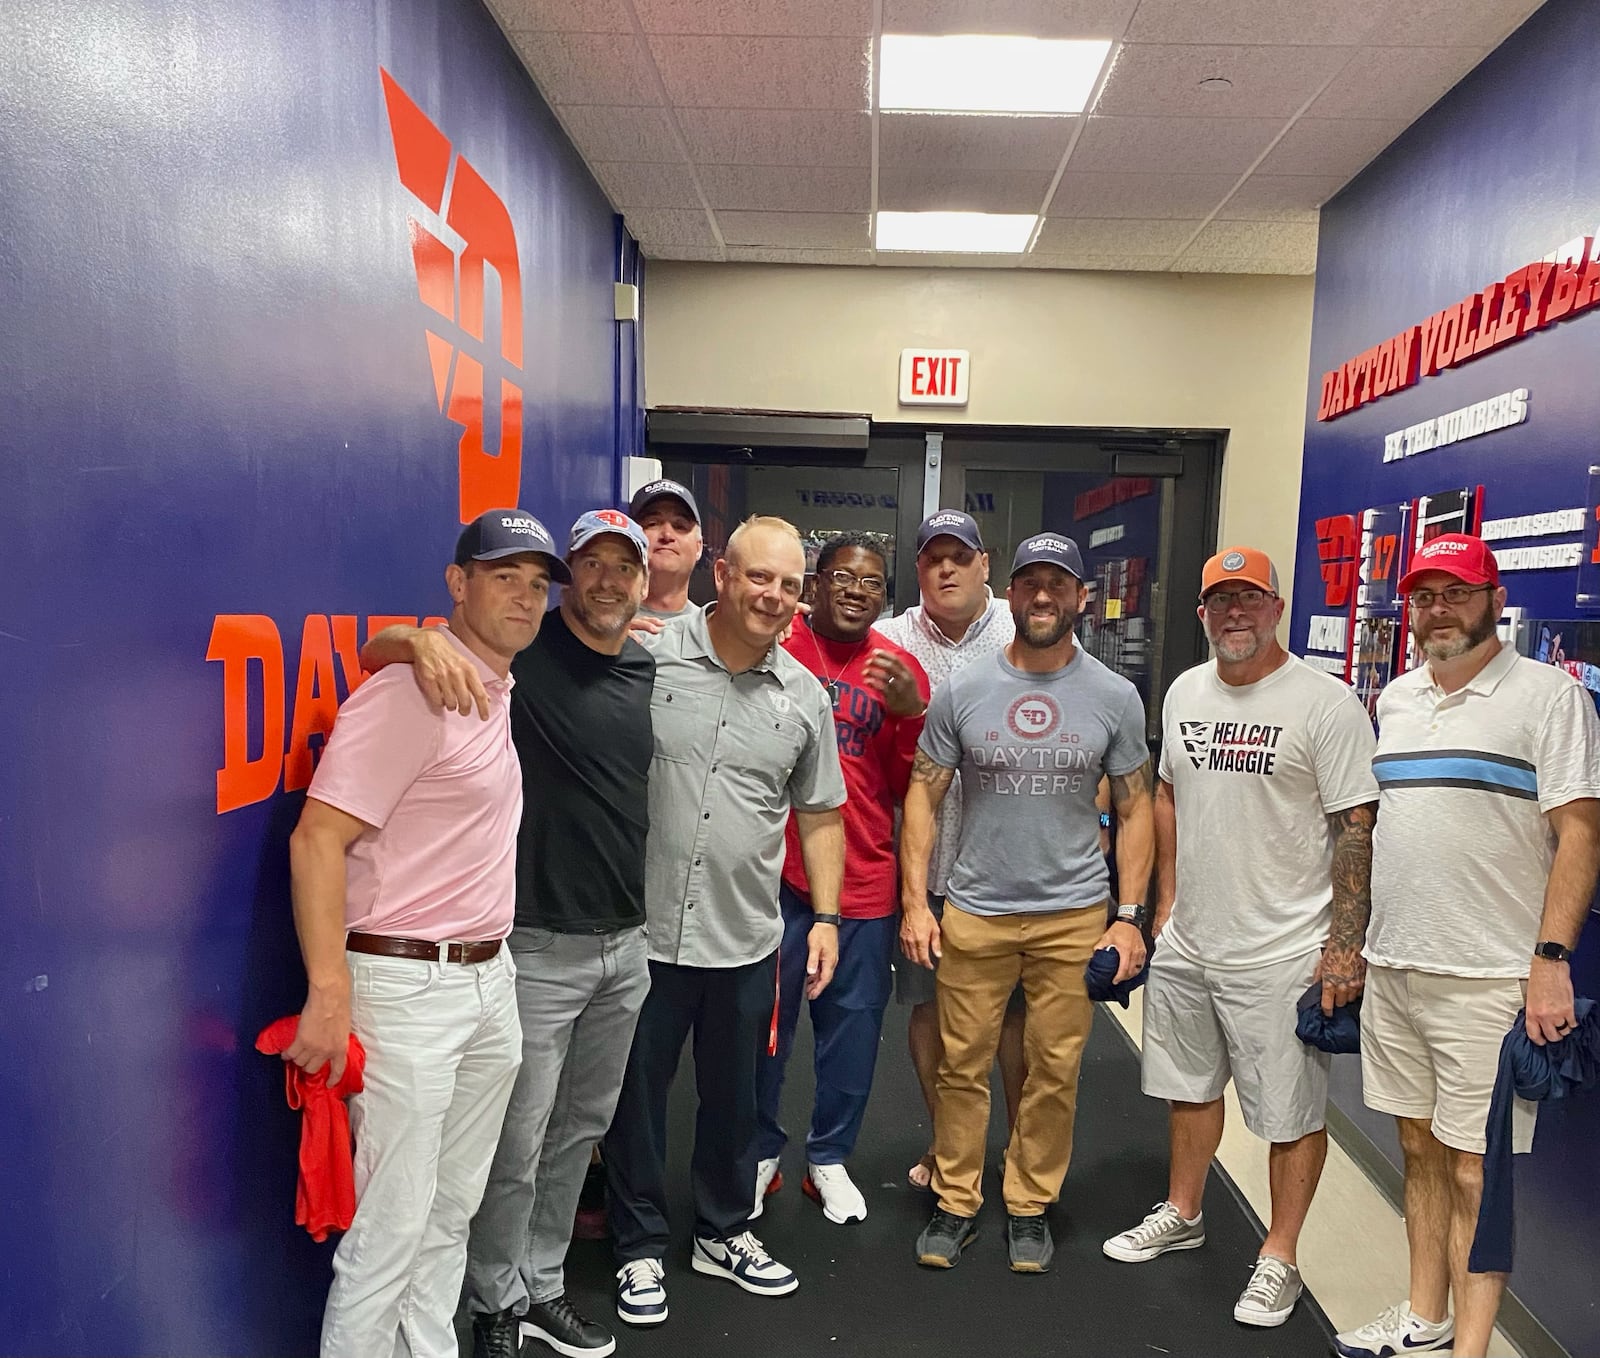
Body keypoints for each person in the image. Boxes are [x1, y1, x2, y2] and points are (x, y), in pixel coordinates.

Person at [359, 509, 658, 1358]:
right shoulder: (525, 654)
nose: (605, 581)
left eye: (622, 567)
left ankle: (543, 1286)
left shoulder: (649, 663)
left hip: (623, 948)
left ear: (643, 582)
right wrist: (411, 639)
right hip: (532, 945)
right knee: (515, 1144)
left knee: (575, 1135)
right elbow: (391, 648)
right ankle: (495, 1304)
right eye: (589, 565)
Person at [287, 509, 567, 1358]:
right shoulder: (412, 691)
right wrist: (329, 992)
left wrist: (406, 638)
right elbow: (316, 840)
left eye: (535, 583)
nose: (523, 597)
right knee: (390, 1231)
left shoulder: (489, 684)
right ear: (458, 584)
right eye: (503, 577)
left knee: (448, 1215)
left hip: (486, 982)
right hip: (406, 989)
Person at [1334, 533, 1600, 1358]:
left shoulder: (1548, 698)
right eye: (1423, 595)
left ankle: (1470, 1351)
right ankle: (1424, 1318)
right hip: (1398, 964)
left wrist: (1549, 961)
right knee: (1416, 1147)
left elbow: (1581, 832)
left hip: (1490, 979)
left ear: (1493, 598)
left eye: (1456, 591)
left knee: (1476, 1170)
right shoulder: (1399, 699)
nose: (1437, 608)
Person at [1101, 546, 1378, 1329]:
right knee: (1188, 1090)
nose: (1234, 614)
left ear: (1277, 609)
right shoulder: (1187, 690)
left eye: (1250, 599)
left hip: (1284, 947)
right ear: (1201, 613)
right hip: (1191, 940)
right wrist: (1166, 907)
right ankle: (1184, 1212)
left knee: (1291, 1112)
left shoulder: (1325, 704)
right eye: (1220, 601)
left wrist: (1343, 945)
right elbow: (1166, 798)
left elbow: (1357, 825)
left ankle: (1279, 1257)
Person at [605, 515, 848, 1325]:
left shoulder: (806, 696)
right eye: (758, 577)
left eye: (787, 584)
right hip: (639, 932)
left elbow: (819, 813)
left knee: (735, 1099)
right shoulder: (646, 653)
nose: (772, 596)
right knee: (635, 1100)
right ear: (723, 574)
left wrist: (826, 917)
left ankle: (721, 1232)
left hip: (746, 936)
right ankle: (638, 1247)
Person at [901, 531, 1155, 1274]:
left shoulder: (1113, 695)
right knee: (960, 1065)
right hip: (975, 909)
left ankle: (1028, 1204)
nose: (1043, 596)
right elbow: (923, 791)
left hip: (1073, 914)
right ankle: (955, 1201)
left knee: (1053, 1069)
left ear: (1081, 597)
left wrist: (1130, 917)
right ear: (1012, 593)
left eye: (1059, 583)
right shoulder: (965, 690)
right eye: (1031, 583)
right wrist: (917, 904)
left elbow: (1137, 808)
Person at [753, 532, 931, 1225]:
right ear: (816, 583)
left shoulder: (895, 668)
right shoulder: (776, 645)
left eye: (873, 582)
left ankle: (828, 1158)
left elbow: (902, 784)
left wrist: (913, 714)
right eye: (843, 577)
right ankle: (760, 1151)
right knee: (766, 1031)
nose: (857, 590)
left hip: (861, 883)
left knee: (851, 1035)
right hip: (773, 881)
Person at [875, 510, 1026, 1191]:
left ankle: (1021, 1154)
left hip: (1007, 869)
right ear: (918, 570)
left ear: (984, 564)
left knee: (1014, 1023)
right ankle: (948, 1147)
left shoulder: (1024, 634)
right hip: (925, 866)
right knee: (930, 1011)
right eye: (933, 558)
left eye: (959, 558)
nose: (946, 570)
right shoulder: (889, 637)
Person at [630, 478, 703, 626]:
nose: (667, 535)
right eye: (652, 524)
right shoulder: (601, 624)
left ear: (699, 547)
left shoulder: (713, 631)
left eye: (680, 526)